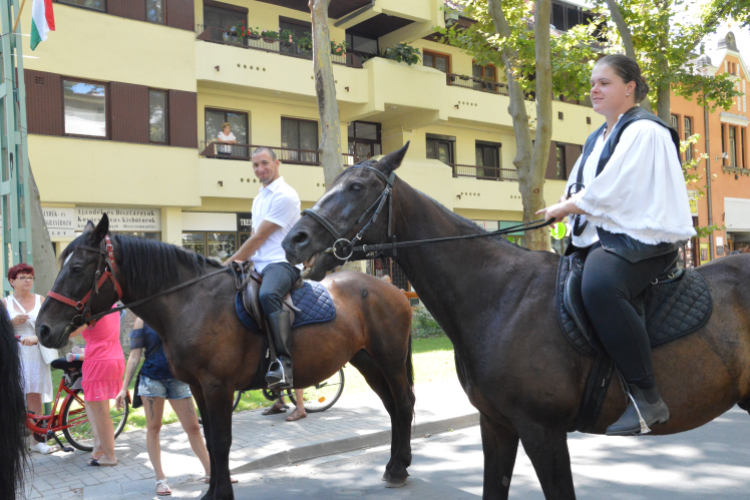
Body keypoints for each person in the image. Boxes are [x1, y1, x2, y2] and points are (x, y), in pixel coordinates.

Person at [537, 54, 696, 436]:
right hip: (603, 236)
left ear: (630, 87)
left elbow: (615, 187)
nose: (594, 89)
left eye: (604, 82)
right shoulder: (597, 137)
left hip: (645, 239)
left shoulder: (646, 131)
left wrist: (569, 206)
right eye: (593, 82)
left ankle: (647, 398)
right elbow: (580, 185)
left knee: (601, 286)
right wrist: (565, 207)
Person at [225, 147, 306, 420]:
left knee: (268, 295)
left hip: (281, 263)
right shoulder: (259, 197)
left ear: (277, 163)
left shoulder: (285, 195)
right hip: (259, 264)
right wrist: (242, 262)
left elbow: (260, 238)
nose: (260, 169)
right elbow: (254, 240)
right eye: (255, 165)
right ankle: (275, 391)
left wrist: (230, 262)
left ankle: (283, 362)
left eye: (264, 163)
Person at [115, 318, 210, 496]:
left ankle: (211, 473)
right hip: (152, 379)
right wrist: (123, 387)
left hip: (178, 378)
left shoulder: (175, 311)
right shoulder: (141, 321)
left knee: (194, 427)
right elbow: (134, 356)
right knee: (154, 428)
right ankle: (160, 479)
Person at [4, 263, 55, 454]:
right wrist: (11, 323)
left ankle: (37, 441)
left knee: (35, 395)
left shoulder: (41, 300)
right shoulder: (5, 303)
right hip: (13, 354)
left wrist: (37, 336)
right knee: (13, 397)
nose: (27, 281)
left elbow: (49, 328)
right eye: (23, 277)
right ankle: (13, 442)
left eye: (30, 277)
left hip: (35, 352)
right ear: (12, 281)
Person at [81, 306, 125, 466]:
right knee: (92, 403)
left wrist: (39, 338)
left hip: (98, 359)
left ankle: (109, 456)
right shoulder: (111, 305)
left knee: (100, 411)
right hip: (115, 355)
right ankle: (99, 442)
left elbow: (68, 332)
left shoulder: (91, 308)